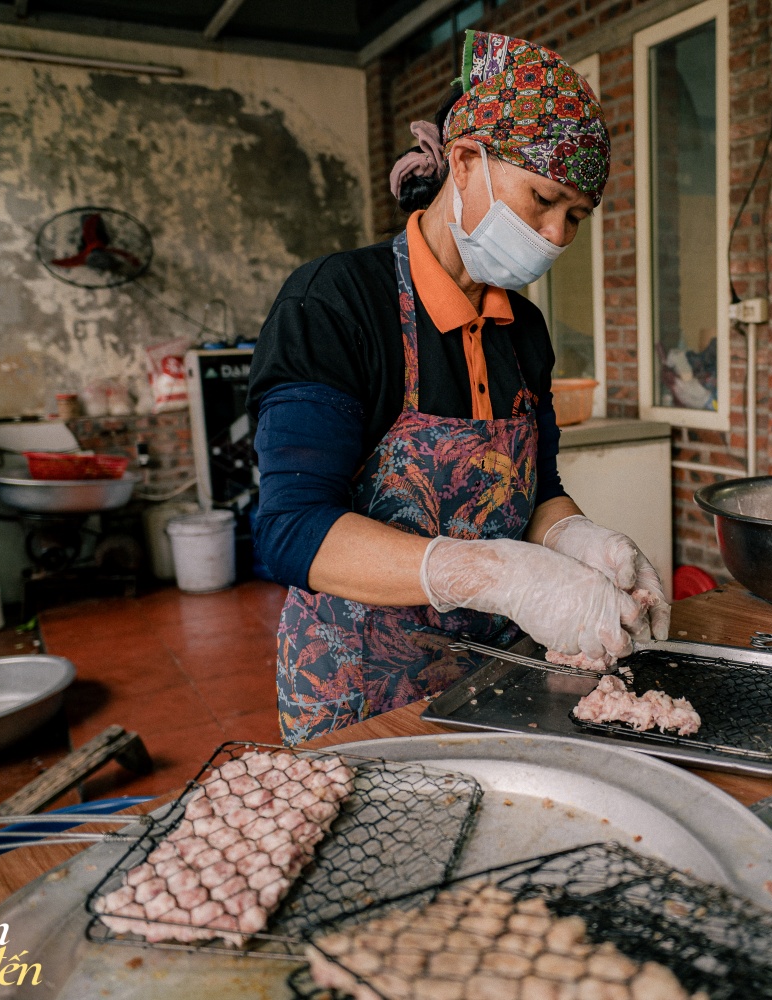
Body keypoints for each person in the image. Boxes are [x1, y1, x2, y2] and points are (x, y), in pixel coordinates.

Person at [248, 31, 667, 744]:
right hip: (361, 697)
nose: (556, 234)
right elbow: (290, 530)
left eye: (575, 217)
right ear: (466, 161)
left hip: (495, 678)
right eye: (542, 199)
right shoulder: (336, 303)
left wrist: (578, 538)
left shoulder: (523, 330)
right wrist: (501, 575)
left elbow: (534, 489)